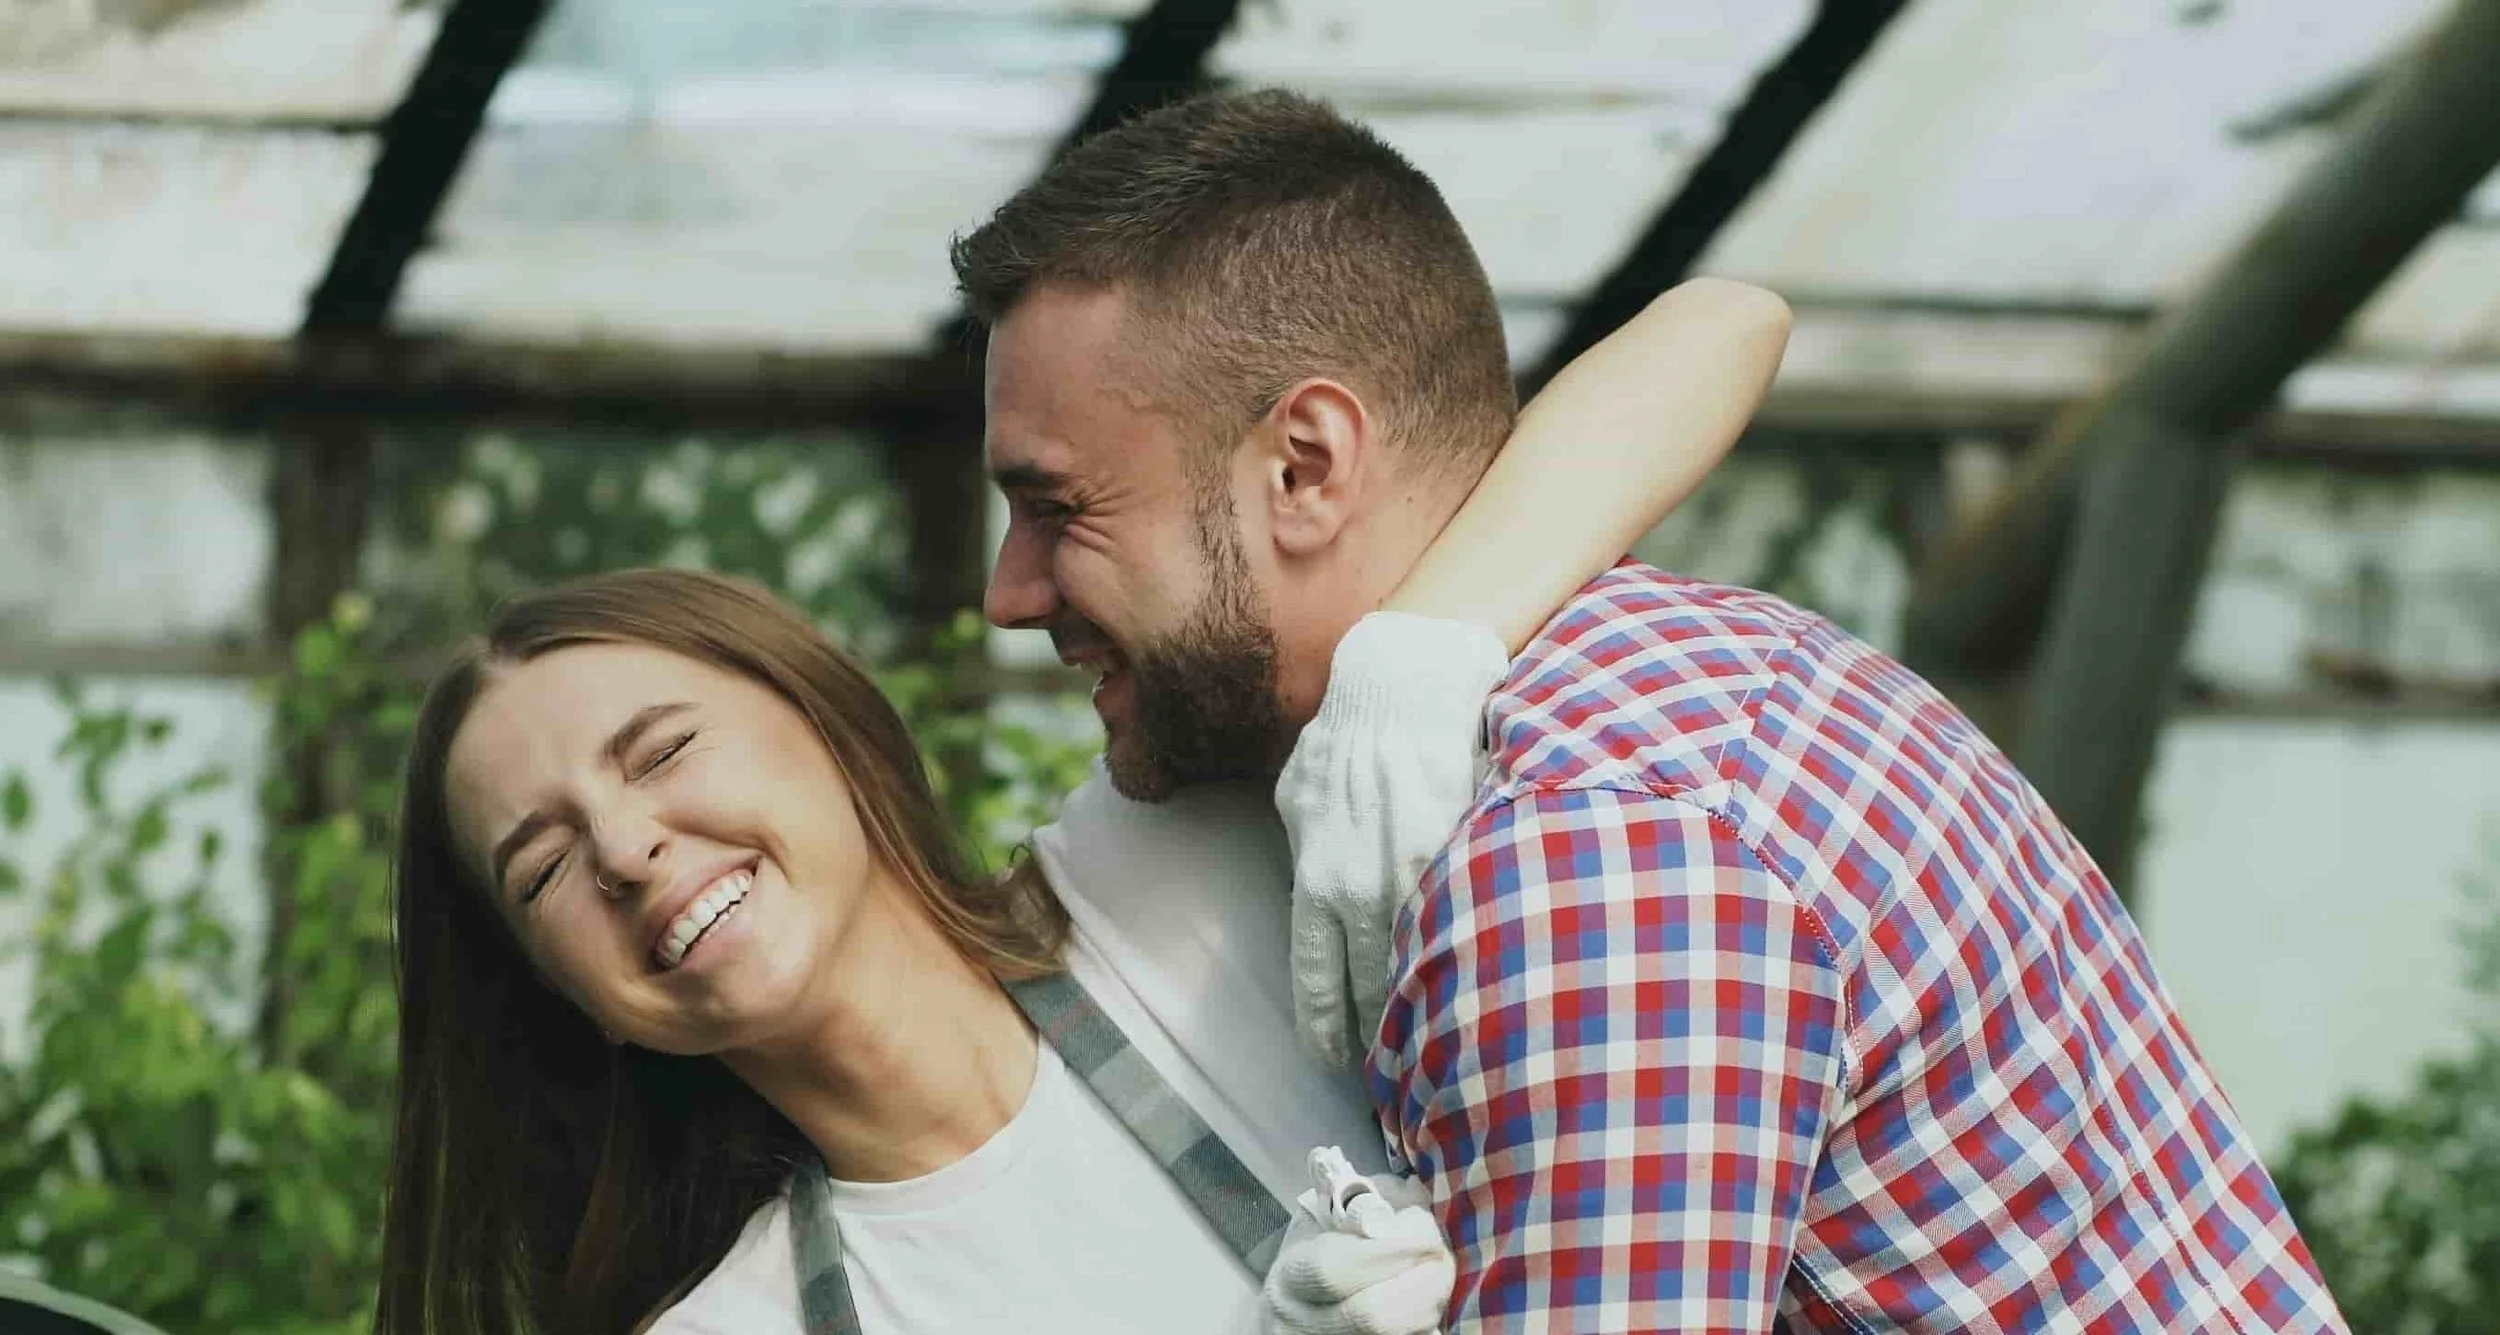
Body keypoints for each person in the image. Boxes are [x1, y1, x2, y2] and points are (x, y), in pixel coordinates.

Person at [960, 88, 2349, 1332]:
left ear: (1307, 467)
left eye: (1057, 506)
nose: (1009, 593)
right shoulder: (1660, 677)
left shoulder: (1581, 861)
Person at [371, 267, 1791, 1331]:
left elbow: (1724, 325)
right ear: (555, 989)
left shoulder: (1190, 862)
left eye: (662, 749)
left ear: (826, 717)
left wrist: (1420, 657)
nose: (624, 849)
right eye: (540, 867)